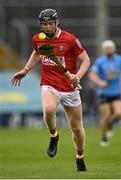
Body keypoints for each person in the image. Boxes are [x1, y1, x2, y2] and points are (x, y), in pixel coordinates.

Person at [11, 8, 90, 171]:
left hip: (70, 88)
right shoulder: (38, 39)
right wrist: (25, 70)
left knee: (76, 128)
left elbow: (86, 60)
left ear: (57, 23)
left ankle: (80, 156)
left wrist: (78, 76)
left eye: (50, 24)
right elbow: (37, 53)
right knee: (48, 109)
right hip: (49, 84)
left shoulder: (70, 40)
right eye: (44, 24)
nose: (47, 27)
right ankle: (54, 135)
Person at [89, 40, 121, 146]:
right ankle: (104, 138)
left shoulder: (120, 59)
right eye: (106, 48)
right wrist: (100, 82)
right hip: (103, 93)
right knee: (105, 116)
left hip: (116, 92)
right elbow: (92, 75)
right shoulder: (100, 61)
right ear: (103, 50)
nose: (108, 50)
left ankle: (110, 124)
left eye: (110, 48)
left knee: (119, 114)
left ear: (114, 49)